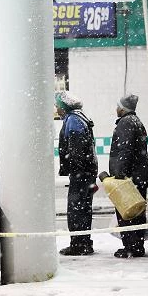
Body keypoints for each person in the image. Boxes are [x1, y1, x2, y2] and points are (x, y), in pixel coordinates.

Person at [56, 91, 98, 256]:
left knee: (76, 211)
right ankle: (84, 243)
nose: (56, 109)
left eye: (57, 106)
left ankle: (79, 245)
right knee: (83, 210)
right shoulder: (79, 117)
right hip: (86, 173)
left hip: (81, 174)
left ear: (63, 107)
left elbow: (77, 151)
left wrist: (76, 172)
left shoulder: (73, 121)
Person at [109, 94, 148, 258]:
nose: (115, 109)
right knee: (137, 213)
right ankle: (137, 245)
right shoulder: (136, 122)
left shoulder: (126, 123)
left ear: (123, 108)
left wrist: (120, 174)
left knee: (127, 213)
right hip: (139, 176)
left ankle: (131, 247)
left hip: (130, 178)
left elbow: (125, 151)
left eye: (117, 106)